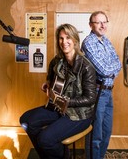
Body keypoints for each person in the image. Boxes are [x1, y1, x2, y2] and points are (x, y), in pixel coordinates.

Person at [20, 23, 97, 159]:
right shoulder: (57, 61)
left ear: (75, 40)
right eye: (61, 38)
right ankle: (48, 155)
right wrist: (48, 84)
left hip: (79, 115)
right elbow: (51, 75)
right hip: (58, 108)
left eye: (68, 38)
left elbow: (90, 98)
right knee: (26, 120)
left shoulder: (86, 67)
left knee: (45, 139)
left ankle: (61, 155)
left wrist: (66, 101)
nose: (64, 42)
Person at [82, 11, 122, 159]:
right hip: (98, 92)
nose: (102, 25)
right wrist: (112, 69)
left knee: (106, 131)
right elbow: (104, 70)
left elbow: (118, 62)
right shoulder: (89, 42)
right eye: (98, 22)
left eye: (104, 22)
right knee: (96, 133)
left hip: (108, 91)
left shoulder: (106, 41)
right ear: (91, 25)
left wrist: (112, 69)